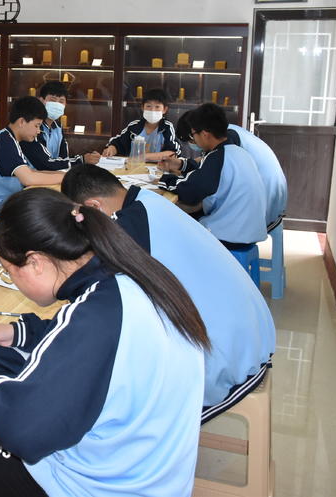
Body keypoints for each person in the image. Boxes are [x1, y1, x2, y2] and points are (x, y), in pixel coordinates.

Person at [0, 188, 209, 497]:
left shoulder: (94, 317)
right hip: (154, 474)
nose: (15, 283)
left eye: (11, 273)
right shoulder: (126, 276)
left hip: (108, 489)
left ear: (36, 262)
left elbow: (22, 430)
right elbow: (80, 338)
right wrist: (22, 333)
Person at [62, 164, 274, 421]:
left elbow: (81, 281)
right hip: (253, 334)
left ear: (94, 207)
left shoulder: (129, 225)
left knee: (100, 382)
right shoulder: (147, 201)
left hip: (227, 359)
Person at [158, 103, 268, 249]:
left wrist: (163, 179)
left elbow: (190, 191)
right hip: (249, 230)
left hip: (230, 234)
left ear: (204, 134)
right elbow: (202, 174)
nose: (194, 140)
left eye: (193, 135)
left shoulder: (218, 157)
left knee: (171, 222)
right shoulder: (236, 151)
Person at [0, 97, 65, 216]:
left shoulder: (8, 137)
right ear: (22, 122)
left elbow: (30, 172)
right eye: (37, 126)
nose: (38, 131)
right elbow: (28, 178)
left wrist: (63, 175)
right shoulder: (5, 142)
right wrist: (65, 178)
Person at [20, 81, 100, 170]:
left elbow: (64, 157)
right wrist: (82, 160)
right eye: (52, 100)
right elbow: (44, 163)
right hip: (33, 178)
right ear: (41, 100)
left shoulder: (58, 126)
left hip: (53, 175)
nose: (57, 104)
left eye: (61, 101)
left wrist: (86, 158)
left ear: (65, 105)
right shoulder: (32, 126)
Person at [103, 88, 180, 161]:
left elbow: (172, 153)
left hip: (157, 169)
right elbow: (118, 143)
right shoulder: (134, 126)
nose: (152, 110)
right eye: (148, 106)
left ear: (164, 110)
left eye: (157, 107)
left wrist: (144, 157)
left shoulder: (167, 127)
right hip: (132, 167)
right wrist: (111, 149)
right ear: (142, 108)